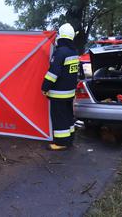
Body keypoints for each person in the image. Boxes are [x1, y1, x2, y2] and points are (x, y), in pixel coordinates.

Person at [41, 23, 79, 151]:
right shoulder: (73, 51)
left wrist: (44, 87)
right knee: (68, 117)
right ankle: (69, 139)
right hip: (69, 93)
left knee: (59, 118)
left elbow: (53, 74)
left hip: (59, 94)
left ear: (60, 37)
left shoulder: (60, 53)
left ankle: (61, 142)